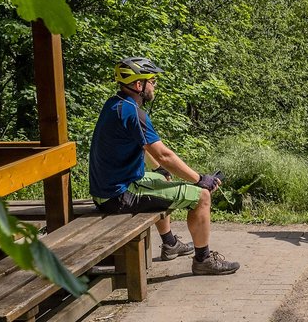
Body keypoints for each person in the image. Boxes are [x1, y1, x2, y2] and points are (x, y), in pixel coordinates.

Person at [89, 56, 240, 276]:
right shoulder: (134, 113)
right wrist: (200, 180)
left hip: (109, 190)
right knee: (202, 197)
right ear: (138, 85)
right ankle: (203, 260)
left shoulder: (116, 104)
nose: (155, 85)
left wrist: (158, 169)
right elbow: (164, 154)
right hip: (119, 196)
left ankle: (170, 243)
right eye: (152, 81)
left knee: (162, 179)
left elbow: (143, 147)